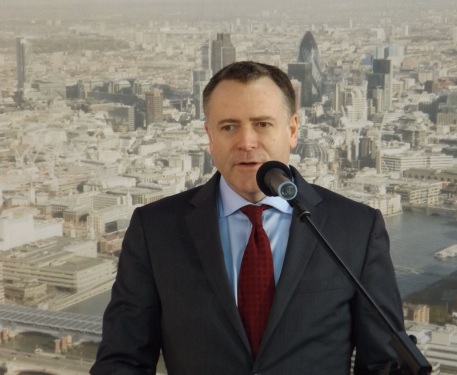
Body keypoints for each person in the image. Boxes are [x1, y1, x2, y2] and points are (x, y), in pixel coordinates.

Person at [91, 61, 405, 374]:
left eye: (263, 124)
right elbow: (123, 360)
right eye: (229, 127)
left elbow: (385, 362)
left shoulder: (355, 229)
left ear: (293, 130)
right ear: (209, 136)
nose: (246, 142)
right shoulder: (156, 230)